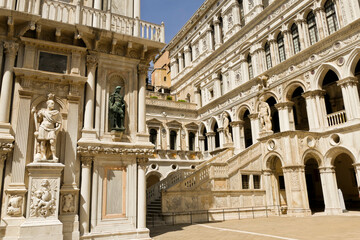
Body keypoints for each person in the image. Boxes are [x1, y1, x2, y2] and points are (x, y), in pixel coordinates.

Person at [32, 94, 62, 162]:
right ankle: (44, 156)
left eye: (53, 104)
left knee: (52, 142)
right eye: (51, 103)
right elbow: (38, 120)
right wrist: (35, 113)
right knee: (43, 143)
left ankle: (54, 156)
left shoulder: (56, 113)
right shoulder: (43, 111)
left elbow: (59, 123)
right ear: (48, 104)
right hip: (43, 127)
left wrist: (57, 128)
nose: (53, 105)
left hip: (51, 129)